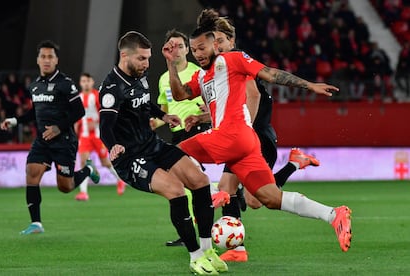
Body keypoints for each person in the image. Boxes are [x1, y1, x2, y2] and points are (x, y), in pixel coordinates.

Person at [161, 11, 352, 256]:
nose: (198, 54)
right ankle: (333, 214)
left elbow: (271, 74)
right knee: (270, 198)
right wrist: (171, 63)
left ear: (216, 45)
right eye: (194, 50)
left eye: (202, 48)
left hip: (231, 135)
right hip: (245, 143)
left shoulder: (233, 60)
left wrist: (309, 85)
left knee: (171, 155)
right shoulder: (202, 76)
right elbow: (179, 94)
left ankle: (209, 210)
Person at [98, 31, 228, 275]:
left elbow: (144, 103)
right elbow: (105, 125)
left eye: (148, 59)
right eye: (141, 59)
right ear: (124, 55)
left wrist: (162, 115)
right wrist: (112, 145)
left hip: (152, 145)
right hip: (130, 158)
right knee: (176, 191)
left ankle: (208, 249)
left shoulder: (141, 76)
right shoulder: (111, 88)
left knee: (200, 182)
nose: (146, 64)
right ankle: (195, 257)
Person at [208, 11, 321, 262]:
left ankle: (294, 163)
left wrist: (244, 128)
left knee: (254, 199)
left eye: (220, 41)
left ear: (230, 41)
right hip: (246, 135)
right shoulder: (219, 70)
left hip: (255, 135)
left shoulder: (235, 61)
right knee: (232, 188)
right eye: (212, 41)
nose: (216, 46)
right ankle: (237, 250)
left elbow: (254, 96)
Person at [0, 40, 100, 235]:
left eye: (50, 57)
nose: (46, 60)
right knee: (31, 172)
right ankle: (36, 223)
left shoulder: (65, 83)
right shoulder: (35, 86)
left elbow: (79, 110)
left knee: (65, 187)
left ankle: (88, 169)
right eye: (43, 57)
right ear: (38, 60)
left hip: (64, 142)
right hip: (42, 141)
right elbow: (34, 113)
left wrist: (59, 128)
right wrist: (14, 121)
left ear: (56, 60)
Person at [153, 29, 212, 247]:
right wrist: (155, 122)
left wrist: (205, 112)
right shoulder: (163, 79)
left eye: (179, 45)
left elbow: (212, 103)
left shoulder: (199, 73)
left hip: (197, 130)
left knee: (193, 179)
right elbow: (164, 110)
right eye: (170, 46)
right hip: (176, 134)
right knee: (181, 185)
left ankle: (220, 192)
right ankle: (188, 230)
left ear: (188, 49)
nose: (175, 50)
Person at [74, 72, 126, 201]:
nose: (85, 83)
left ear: (92, 82)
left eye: (88, 81)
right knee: (83, 162)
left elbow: (105, 113)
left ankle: (120, 180)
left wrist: (96, 122)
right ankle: (84, 193)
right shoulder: (78, 98)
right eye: (83, 81)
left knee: (105, 162)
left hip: (98, 135)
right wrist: (76, 125)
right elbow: (78, 115)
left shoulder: (97, 96)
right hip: (85, 136)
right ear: (80, 83)